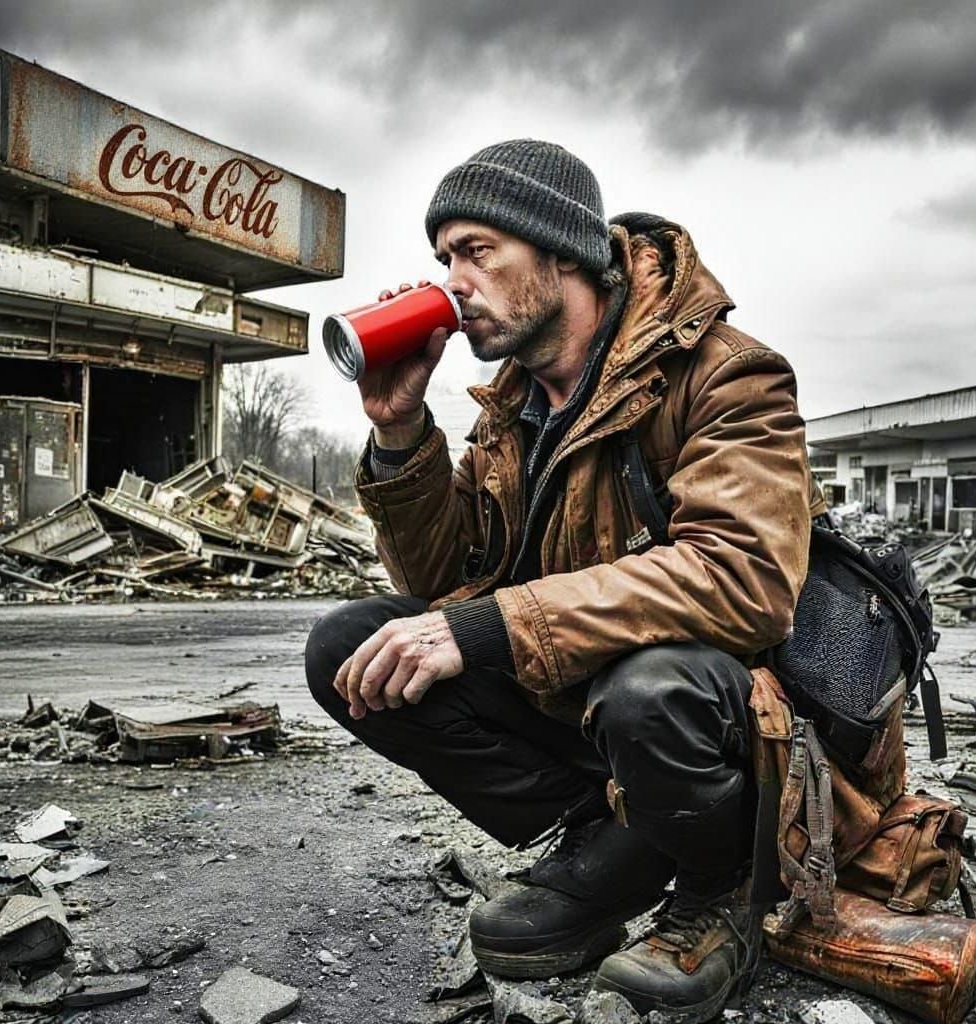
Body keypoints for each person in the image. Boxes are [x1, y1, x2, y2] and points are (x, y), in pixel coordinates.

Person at [306, 139, 819, 1020]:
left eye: (476, 251)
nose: (453, 282)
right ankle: (612, 839)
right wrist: (400, 433)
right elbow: (443, 579)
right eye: (444, 260)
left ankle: (721, 882)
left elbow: (746, 577)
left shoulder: (725, 373)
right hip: (585, 703)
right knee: (351, 648)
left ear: (561, 251)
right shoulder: (511, 409)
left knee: (649, 690)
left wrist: (490, 627)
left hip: (716, 711)